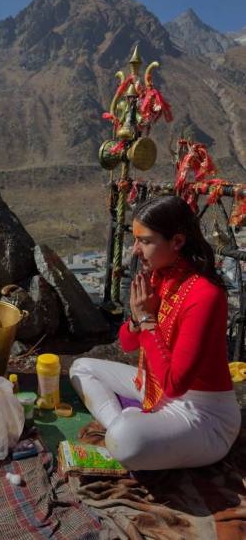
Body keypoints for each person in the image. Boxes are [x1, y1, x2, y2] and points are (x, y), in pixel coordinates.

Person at [70, 195, 241, 470]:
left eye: (145, 241)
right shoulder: (159, 277)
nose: (135, 250)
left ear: (177, 242)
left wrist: (147, 319)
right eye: (136, 239)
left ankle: (128, 431)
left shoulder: (205, 295)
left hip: (204, 415)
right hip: (157, 388)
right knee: (81, 369)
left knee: (125, 439)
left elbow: (176, 384)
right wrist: (138, 319)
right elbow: (126, 343)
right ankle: (126, 427)